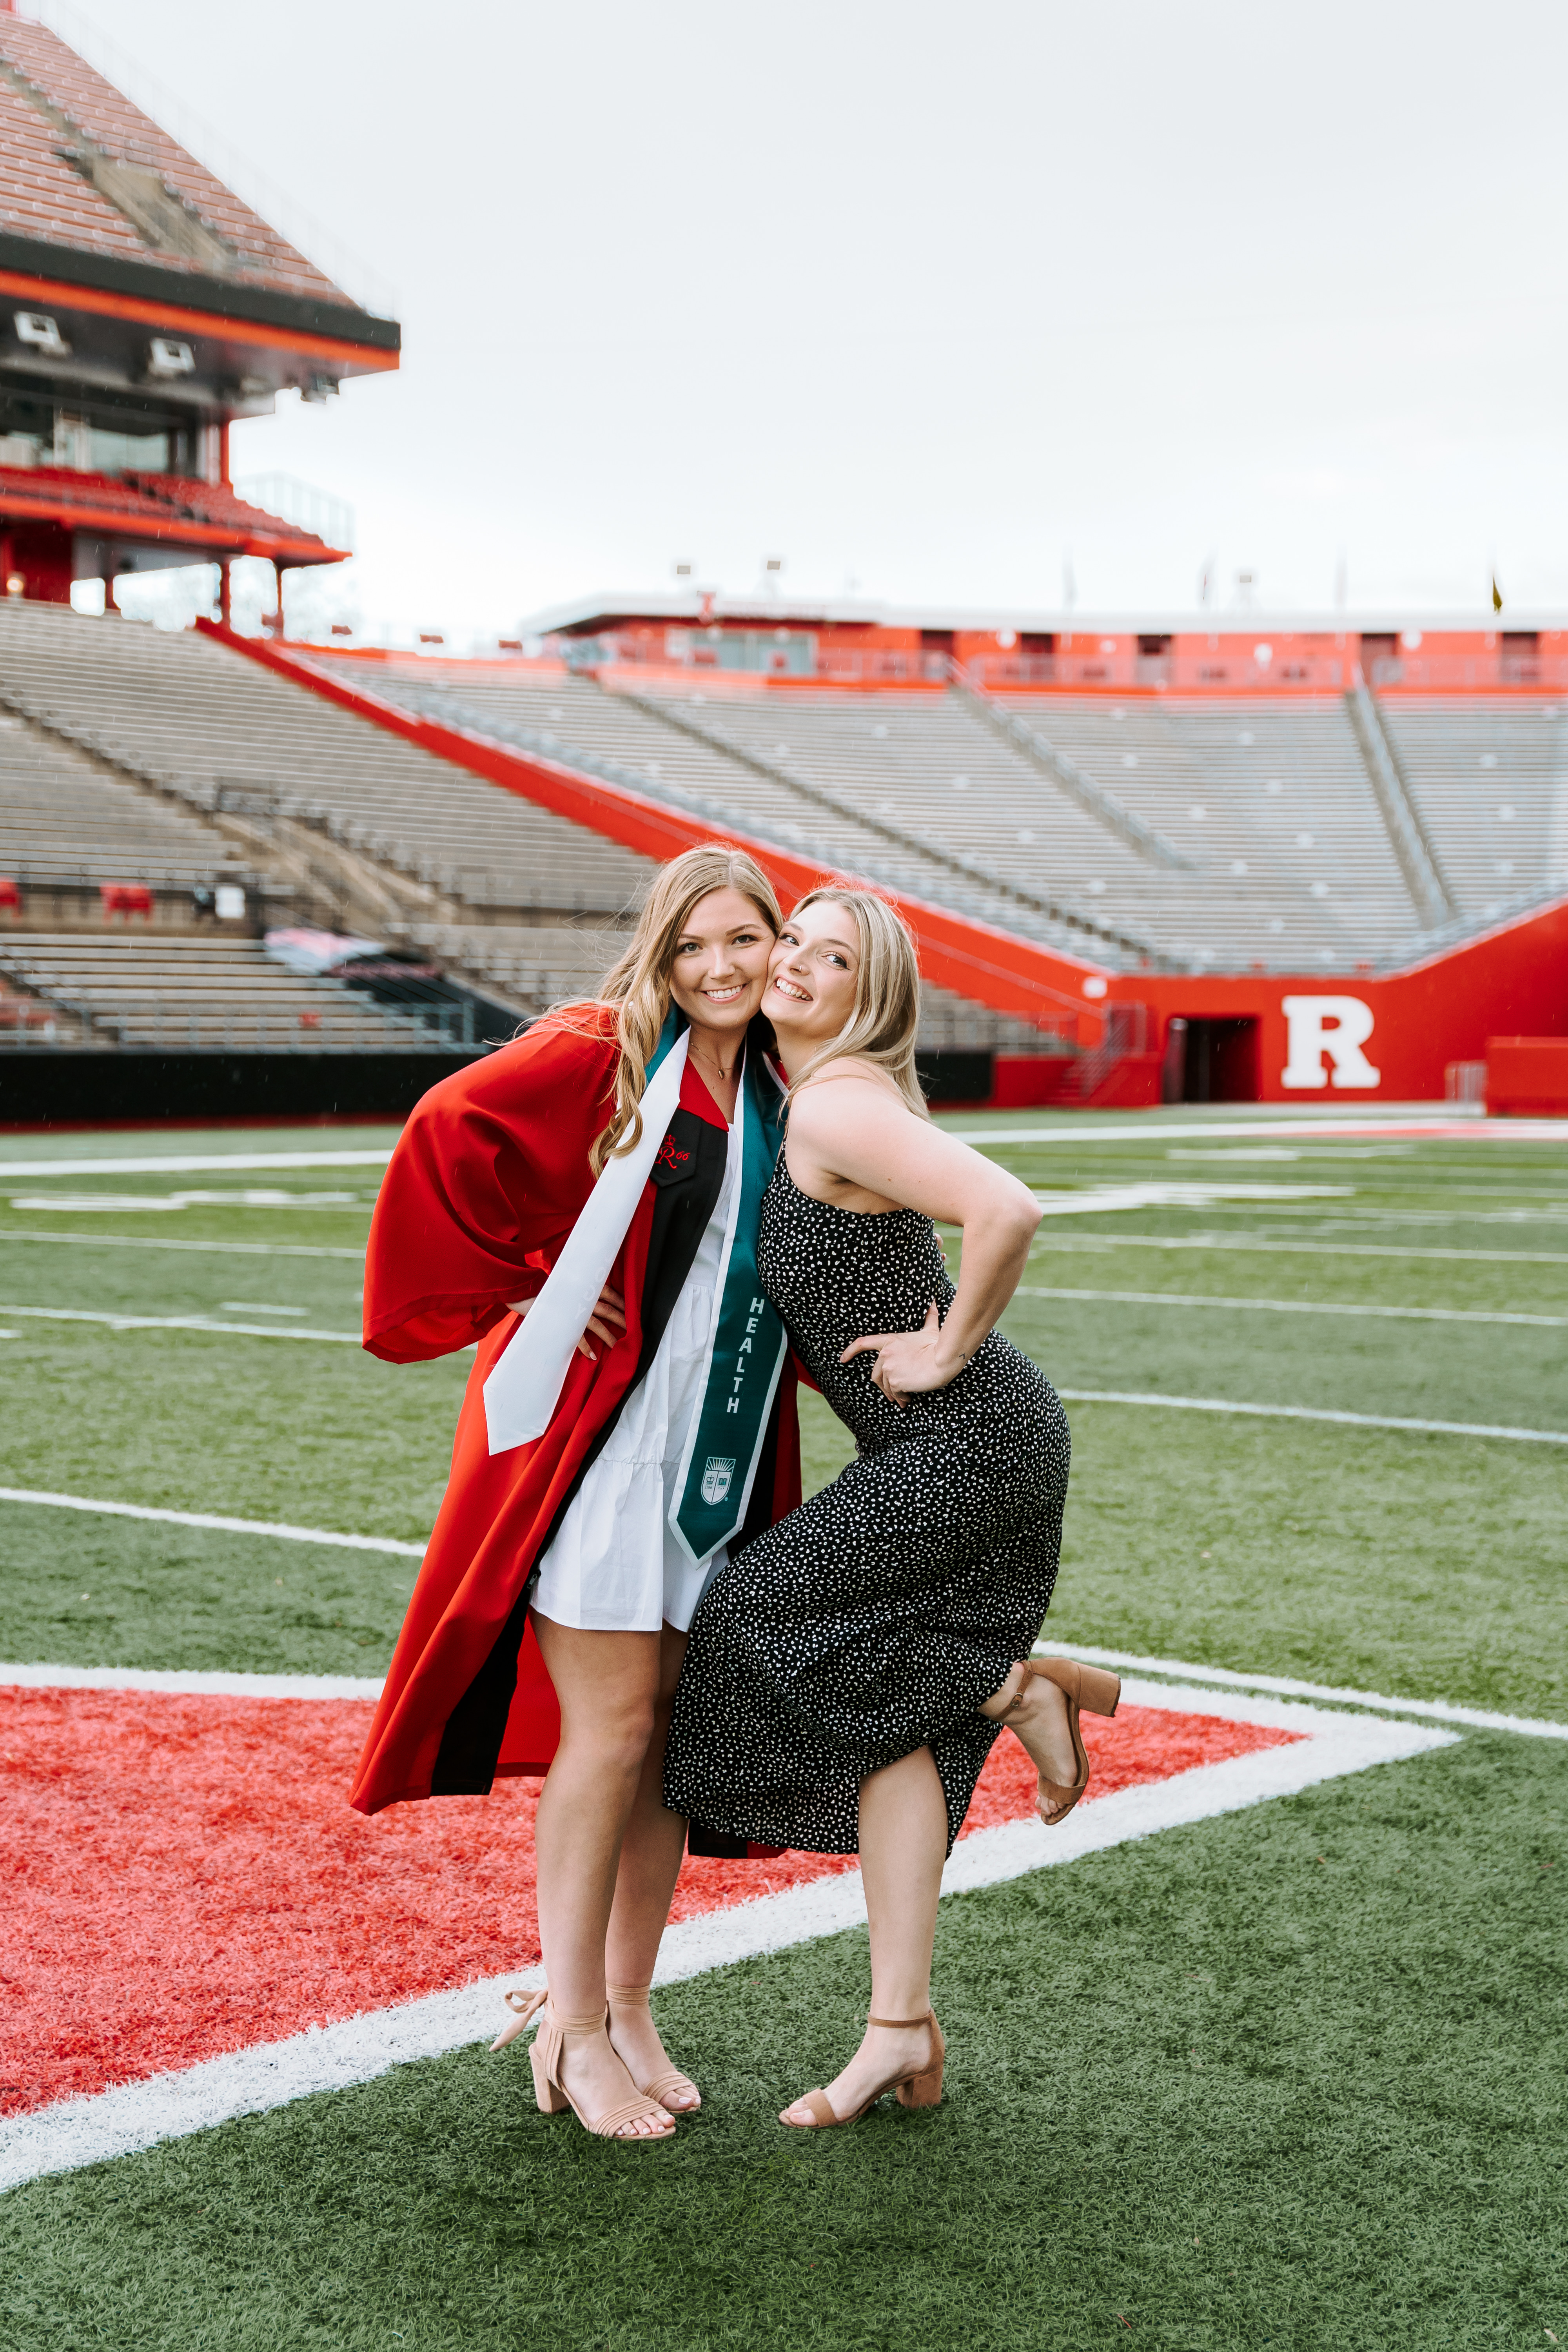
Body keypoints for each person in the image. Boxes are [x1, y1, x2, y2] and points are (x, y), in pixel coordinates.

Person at [351, 845, 802, 2141]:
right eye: (693, 946)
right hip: (607, 1451)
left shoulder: (780, 1083)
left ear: (779, 944)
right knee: (610, 1735)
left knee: (667, 1739)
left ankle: (630, 1999)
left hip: (717, 1455)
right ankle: (573, 2024)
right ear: (661, 956)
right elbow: (449, 1131)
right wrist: (519, 1278)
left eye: (744, 941)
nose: (720, 968)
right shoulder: (607, 1050)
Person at [664, 886, 1120, 2130]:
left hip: (967, 1441)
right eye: (796, 944)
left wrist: (949, 1344)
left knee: (749, 1619)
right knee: (881, 1719)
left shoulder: (838, 1099)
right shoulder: (809, 1095)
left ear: (875, 993)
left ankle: (1012, 1687)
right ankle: (897, 2030)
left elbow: (1007, 1209)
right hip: (963, 1449)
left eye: (836, 956)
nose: (802, 966)